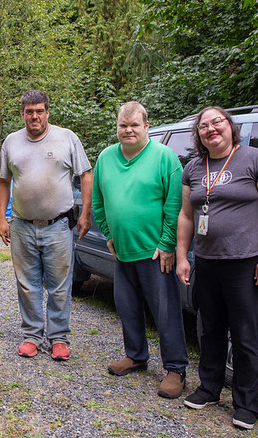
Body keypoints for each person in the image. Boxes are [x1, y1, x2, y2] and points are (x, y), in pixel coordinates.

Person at [177, 106, 258, 429]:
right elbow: (186, 215)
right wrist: (183, 255)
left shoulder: (256, 159)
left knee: (244, 335)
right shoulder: (194, 168)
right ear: (199, 135)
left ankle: (247, 405)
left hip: (244, 263)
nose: (211, 129)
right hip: (207, 262)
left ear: (229, 126)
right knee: (209, 329)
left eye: (217, 122)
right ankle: (209, 388)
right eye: (204, 126)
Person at [92, 101, 188, 399]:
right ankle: (136, 356)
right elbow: (98, 201)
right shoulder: (106, 158)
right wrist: (108, 234)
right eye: (123, 125)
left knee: (166, 311)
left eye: (134, 125)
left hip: (155, 253)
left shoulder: (164, 157)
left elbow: (175, 205)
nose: (128, 130)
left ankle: (175, 368)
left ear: (147, 126)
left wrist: (167, 243)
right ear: (117, 127)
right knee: (127, 306)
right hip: (122, 251)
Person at [0, 89, 93, 361]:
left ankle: (59, 338)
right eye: (29, 112)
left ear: (47, 112)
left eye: (39, 111)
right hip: (22, 225)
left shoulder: (66, 138)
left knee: (60, 285)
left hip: (59, 225)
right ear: (23, 114)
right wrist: (2, 218)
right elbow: (3, 181)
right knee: (27, 283)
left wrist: (85, 213)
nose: (34, 116)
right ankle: (32, 335)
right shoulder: (11, 142)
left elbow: (86, 174)